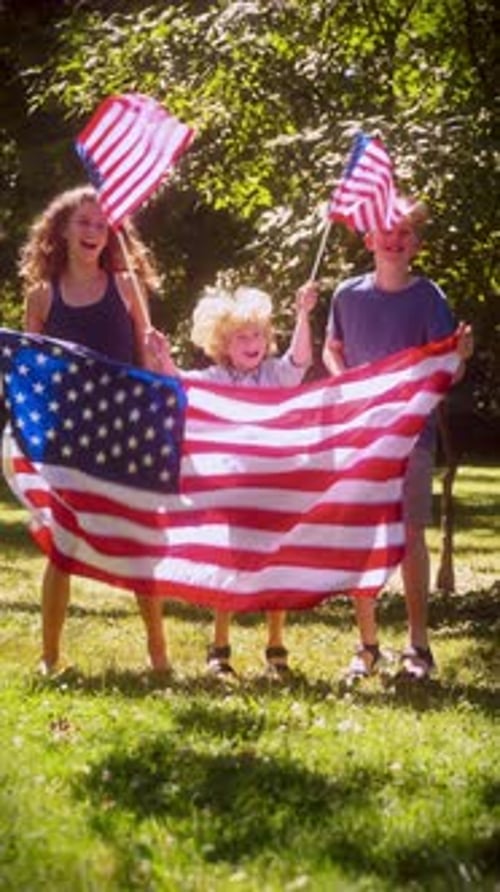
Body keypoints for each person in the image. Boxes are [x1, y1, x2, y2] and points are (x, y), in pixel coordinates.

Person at [19, 184, 170, 676]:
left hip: (124, 428)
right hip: (68, 435)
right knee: (61, 542)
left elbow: (148, 361)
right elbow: (30, 371)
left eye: (102, 224)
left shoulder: (127, 288)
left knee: (139, 543)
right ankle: (50, 656)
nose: (93, 231)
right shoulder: (42, 295)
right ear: (62, 230)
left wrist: (158, 359)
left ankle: (159, 654)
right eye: (83, 222)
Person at [322, 201, 473, 682]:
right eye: (385, 230)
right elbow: (332, 348)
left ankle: (418, 647)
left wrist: (461, 356)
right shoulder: (347, 295)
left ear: (416, 245)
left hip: (412, 435)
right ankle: (367, 646)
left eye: (404, 232)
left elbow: (449, 370)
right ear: (368, 240)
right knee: (360, 536)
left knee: (409, 535)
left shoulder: (428, 297)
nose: (394, 238)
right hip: (360, 435)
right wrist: (347, 385)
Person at [148, 279, 318, 678]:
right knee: (229, 561)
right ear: (223, 343)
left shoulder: (275, 374)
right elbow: (184, 386)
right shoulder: (217, 378)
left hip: (275, 483)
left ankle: (276, 647)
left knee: (276, 560)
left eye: (257, 333)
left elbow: (300, 361)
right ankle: (219, 648)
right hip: (234, 486)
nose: (251, 342)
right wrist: (164, 358)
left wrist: (304, 315)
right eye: (241, 336)